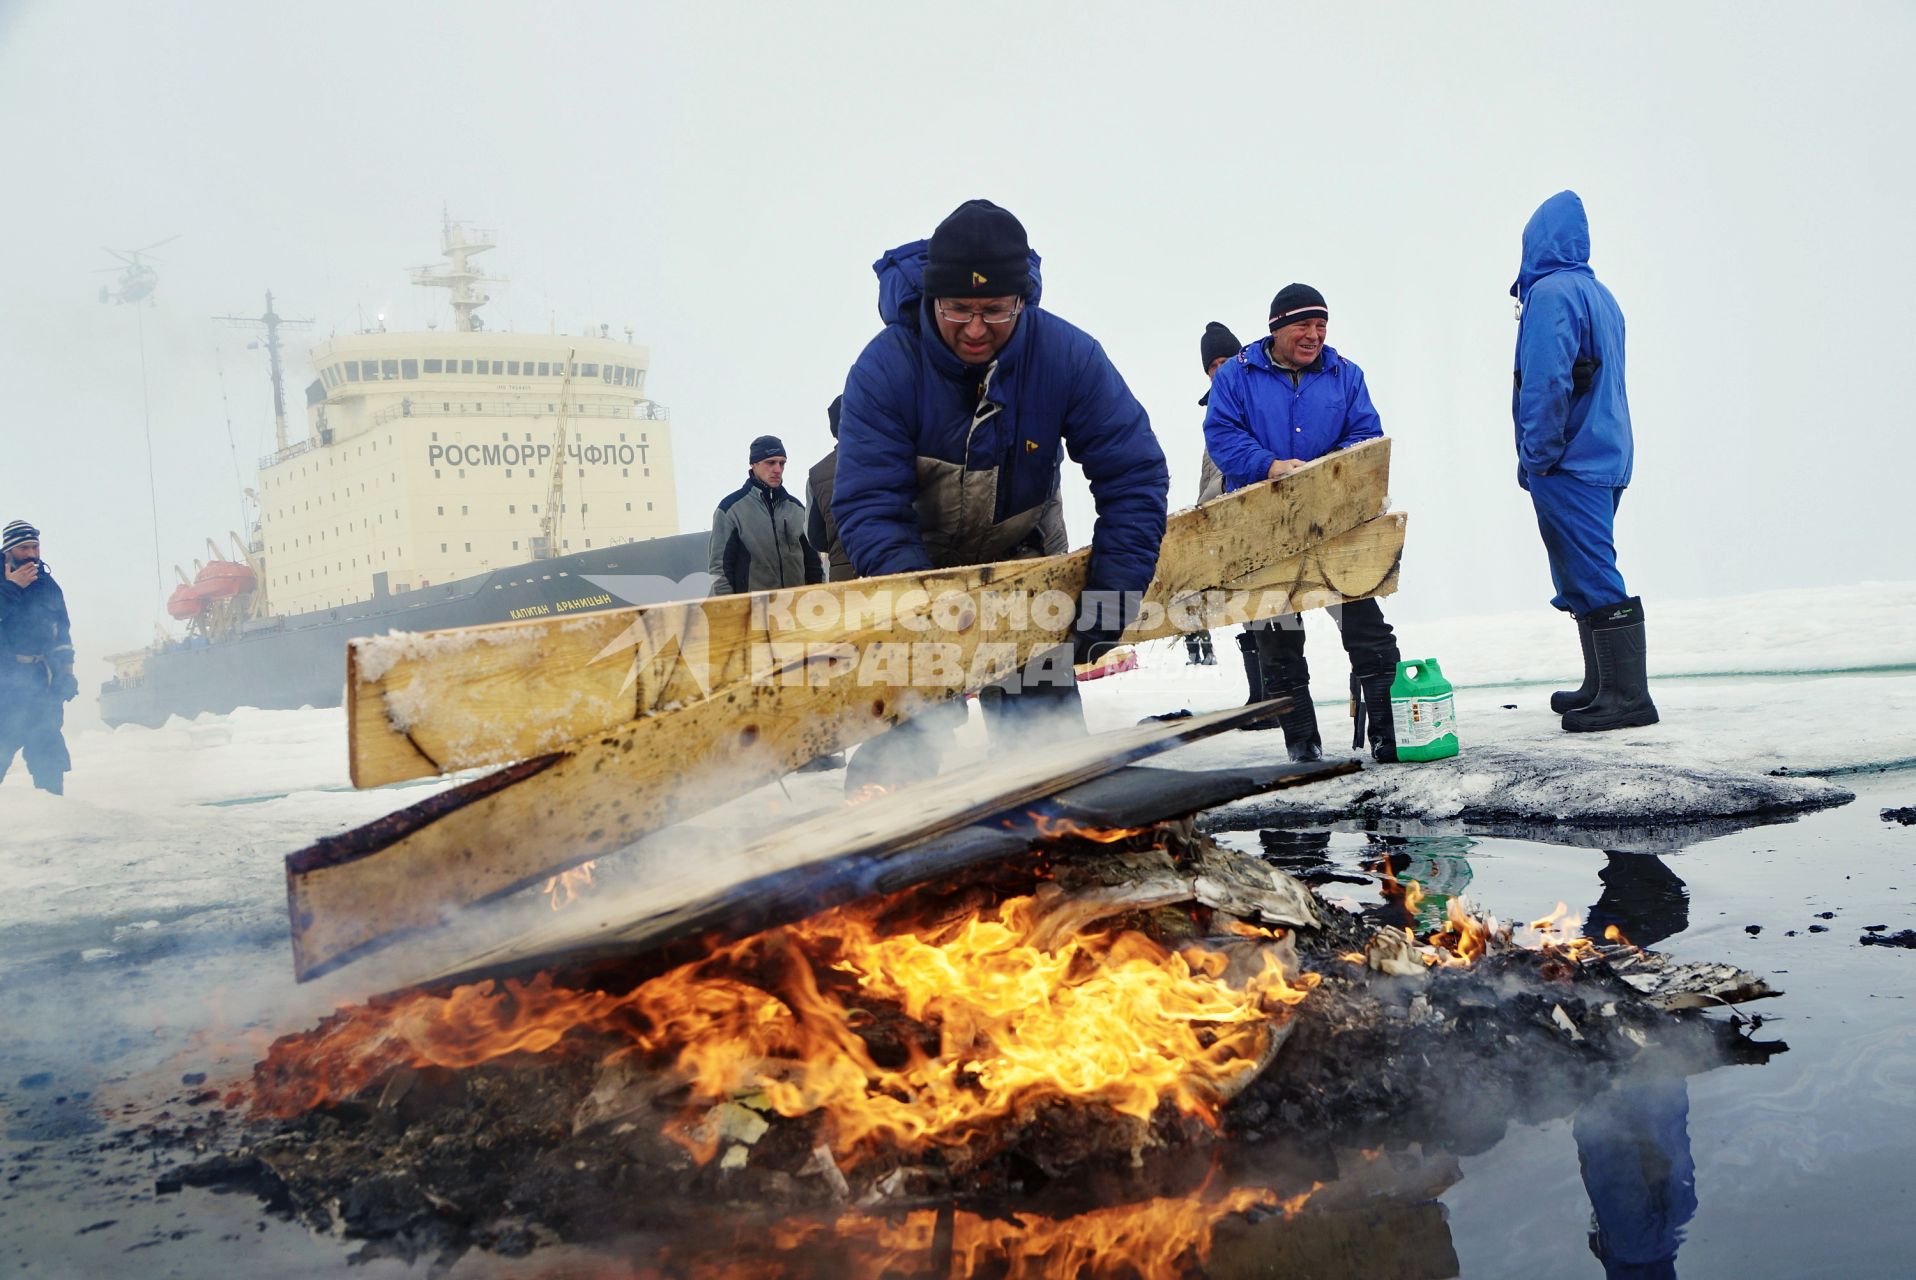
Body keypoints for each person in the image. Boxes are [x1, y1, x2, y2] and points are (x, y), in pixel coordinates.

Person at [834, 199, 1169, 784]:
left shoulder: (1068, 356)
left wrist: (1113, 595)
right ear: (933, 299)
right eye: (957, 309)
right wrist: (928, 617)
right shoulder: (886, 368)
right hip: (917, 576)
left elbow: (1133, 472)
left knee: (1051, 762)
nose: (974, 328)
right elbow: (870, 504)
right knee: (902, 749)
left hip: (1022, 573)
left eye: (994, 310)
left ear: (1023, 300)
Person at [1203, 284, 1401, 763]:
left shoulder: (1347, 375)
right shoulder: (1235, 377)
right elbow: (1222, 437)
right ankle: (1302, 745)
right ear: (1277, 328)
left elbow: (1365, 435)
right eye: (1303, 326)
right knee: (1278, 642)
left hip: (1336, 525)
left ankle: (1387, 737)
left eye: (1321, 325)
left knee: (1368, 631)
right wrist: (1270, 466)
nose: (1314, 335)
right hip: (1261, 528)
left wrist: (1323, 474)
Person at [1512, 190, 1658, 733]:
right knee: (1580, 569)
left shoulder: (1550, 293)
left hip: (1571, 458)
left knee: (1593, 572)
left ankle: (1626, 698)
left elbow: (1549, 380)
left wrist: (1539, 455)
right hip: (1607, 451)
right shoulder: (1600, 294)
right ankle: (1601, 685)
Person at [1181, 321, 1243, 669]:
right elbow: (1211, 473)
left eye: (1226, 361)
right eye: (1212, 366)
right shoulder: (1215, 409)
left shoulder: (1252, 400)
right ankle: (1200, 655)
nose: (1219, 371)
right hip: (1216, 512)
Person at [0, 520, 77, 794]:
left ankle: (52, 810)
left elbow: (61, 632)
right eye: (24, 547)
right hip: (5, 682)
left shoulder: (47, 584)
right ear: (8, 550)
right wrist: (10, 588)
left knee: (47, 748)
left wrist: (66, 674)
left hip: (40, 680)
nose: (31, 553)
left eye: (35, 546)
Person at [706, 435, 824, 596]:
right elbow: (719, 569)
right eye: (771, 462)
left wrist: (818, 600)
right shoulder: (730, 510)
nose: (777, 469)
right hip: (754, 613)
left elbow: (814, 565)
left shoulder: (796, 509)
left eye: (782, 463)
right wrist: (731, 610)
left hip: (796, 610)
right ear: (754, 464)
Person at [804, 397, 856, 583]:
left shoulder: (817, 475)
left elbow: (815, 537)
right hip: (892, 571)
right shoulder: (893, 455)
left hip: (845, 576)